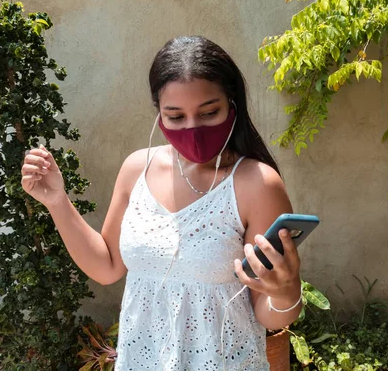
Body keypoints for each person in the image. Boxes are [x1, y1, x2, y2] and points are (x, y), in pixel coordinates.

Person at [21, 36, 303, 370]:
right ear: (159, 114)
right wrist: (56, 201)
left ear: (232, 105)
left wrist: (285, 291)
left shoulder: (257, 183)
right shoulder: (136, 169)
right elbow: (107, 266)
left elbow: (268, 315)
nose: (193, 128)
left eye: (209, 112)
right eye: (175, 116)